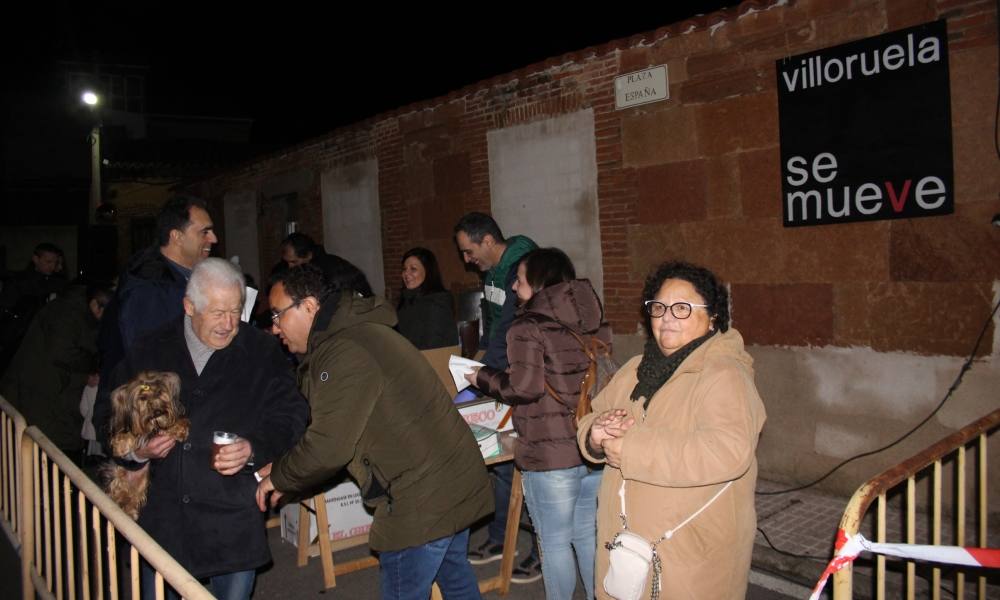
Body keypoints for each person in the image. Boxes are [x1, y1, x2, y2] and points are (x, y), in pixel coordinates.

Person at [256, 264, 492, 600]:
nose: (274, 327)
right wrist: (285, 469)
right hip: (449, 479)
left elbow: (329, 447)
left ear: (308, 306)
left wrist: (281, 477)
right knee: (454, 579)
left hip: (422, 495)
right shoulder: (357, 334)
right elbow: (336, 430)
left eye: (278, 315)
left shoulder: (343, 350)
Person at [94, 258, 309, 600]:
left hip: (232, 517)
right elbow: (107, 413)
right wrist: (137, 450)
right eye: (217, 312)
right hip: (164, 519)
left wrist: (254, 447)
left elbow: (292, 414)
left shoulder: (261, 350)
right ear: (189, 306)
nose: (228, 324)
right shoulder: (149, 348)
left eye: (235, 312)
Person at [577, 261, 767, 599]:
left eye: (682, 308)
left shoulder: (724, 376)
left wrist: (631, 449)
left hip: (688, 557)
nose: (666, 317)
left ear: (713, 317)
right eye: (659, 307)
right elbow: (594, 415)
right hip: (626, 546)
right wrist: (595, 434)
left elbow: (727, 451)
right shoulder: (637, 368)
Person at [466, 248, 610, 600]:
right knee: (585, 536)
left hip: (550, 456)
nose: (514, 287)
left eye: (520, 279)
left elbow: (523, 388)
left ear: (540, 283)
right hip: (592, 446)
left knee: (555, 542)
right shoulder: (594, 320)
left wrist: (480, 376)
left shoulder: (526, 327)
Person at [453, 212, 541, 580]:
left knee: (534, 463)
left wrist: (481, 374)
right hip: (501, 372)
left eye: (469, 251)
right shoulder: (492, 272)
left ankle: (541, 550)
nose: (466, 259)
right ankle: (501, 537)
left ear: (488, 241)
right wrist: (479, 358)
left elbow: (512, 322)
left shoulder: (520, 264)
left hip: (524, 375)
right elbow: (493, 324)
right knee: (502, 458)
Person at [97, 195, 218, 383]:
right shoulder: (148, 290)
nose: (214, 239)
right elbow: (149, 368)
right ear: (177, 236)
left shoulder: (184, 280)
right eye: (205, 232)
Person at [1, 282, 111, 460]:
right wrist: (90, 369)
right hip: (44, 395)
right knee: (48, 448)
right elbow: (62, 354)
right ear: (95, 305)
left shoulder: (69, 310)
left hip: (46, 392)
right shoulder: (67, 315)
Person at [0, 242, 68, 371]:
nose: (52, 266)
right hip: (19, 339)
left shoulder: (57, 283)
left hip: (45, 339)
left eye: (55, 262)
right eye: (48, 262)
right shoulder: (19, 282)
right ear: (36, 259)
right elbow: (5, 309)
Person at [396, 247, 458, 350]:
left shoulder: (438, 302)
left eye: (413, 269)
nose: (406, 274)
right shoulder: (406, 300)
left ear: (428, 271)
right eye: (404, 269)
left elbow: (434, 346)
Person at [278, 232, 373, 297]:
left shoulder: (325, 271)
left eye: (294, 262)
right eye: (287, 262)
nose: (290, 267)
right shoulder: (312, 268)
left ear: (308, 255)